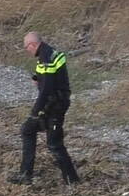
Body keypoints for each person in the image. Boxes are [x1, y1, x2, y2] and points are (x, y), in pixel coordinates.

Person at [8, 31, 80, 186]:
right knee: (28, 130)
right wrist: (36, 77)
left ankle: (72, 181)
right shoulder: (48, 53)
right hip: (54, 103)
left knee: (54, 143)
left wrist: (35, 111)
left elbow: (47, 88)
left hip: (55, 106)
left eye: (26, 47)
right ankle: (26, 174)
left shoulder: (46, 58)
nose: (27, 50)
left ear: (33, 45)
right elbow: (47, 75)